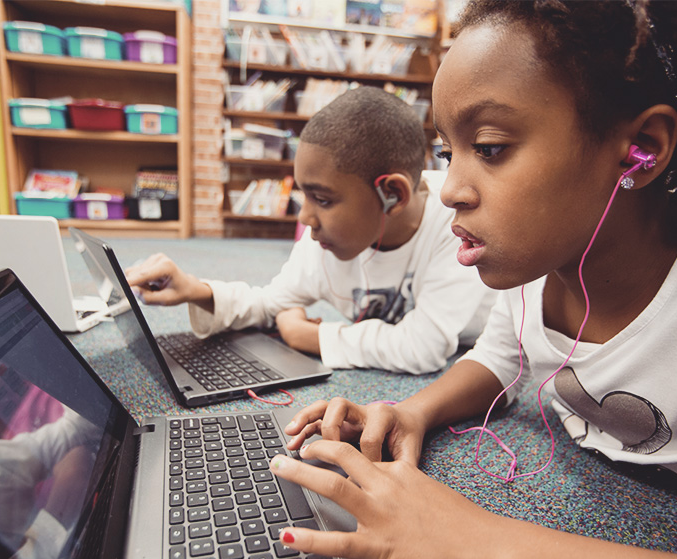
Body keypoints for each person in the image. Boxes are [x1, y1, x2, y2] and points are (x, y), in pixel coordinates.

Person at [268, 1, 677, 559]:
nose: (449, 190)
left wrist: (483, 546)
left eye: (492, 146)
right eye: (449, 152)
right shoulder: (540, 253)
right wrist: (414, 412)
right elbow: (501, 356)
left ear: (641, 149)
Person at [126, 86, 494, 374]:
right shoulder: (323, 240)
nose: (305, 217)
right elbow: (272, 303)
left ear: (391, 194)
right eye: (305, 195)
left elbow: (424, 347)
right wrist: (195, 290)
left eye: (323, 199)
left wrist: (308, 335)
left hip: (479, 345)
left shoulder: (456, 227)